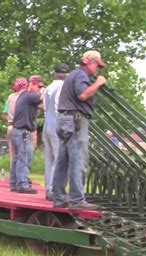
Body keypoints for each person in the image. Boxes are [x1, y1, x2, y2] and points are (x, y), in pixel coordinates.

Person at [52, 50, 107, 210]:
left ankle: (59, 198)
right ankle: (77, 200)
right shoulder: (81, 75)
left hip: (64, 118)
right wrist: (98, 83)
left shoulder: (74, 74)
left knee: (63, 160)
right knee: (78, 160)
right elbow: (82, 95)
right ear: (89, 62)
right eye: (97, 65)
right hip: (75, 119)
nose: (98, 70)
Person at [9, 75, 44, 193]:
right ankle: (22, 184)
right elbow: (44, 97)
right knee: (24, 156)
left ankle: (14, 183)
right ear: (31, 84)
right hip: (23, 132)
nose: (39, 89)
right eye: (38, 86)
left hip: (18, 131)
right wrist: (46, 91)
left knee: (18, 157)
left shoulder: (25, 97)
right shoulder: (30, 96)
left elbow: (41, 104)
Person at [42, 63, 70, 201]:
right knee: (59, 159)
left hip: (47, 123)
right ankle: (54, 190)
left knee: (49, 159)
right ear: (66, 74)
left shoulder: (48, 88)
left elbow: (46, 108)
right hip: (57, 123)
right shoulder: (62, 87)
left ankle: (48, 187)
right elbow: (61, 107)